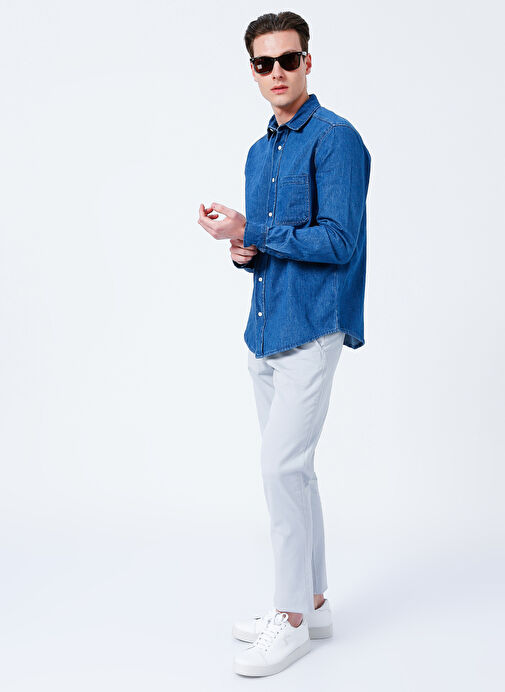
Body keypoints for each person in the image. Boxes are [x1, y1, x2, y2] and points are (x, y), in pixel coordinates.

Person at [197, 10, 371, 677]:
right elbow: (271, 246)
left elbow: (339, 242)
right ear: (252, 70)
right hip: (265, 328)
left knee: (278, 470)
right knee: (294, 472)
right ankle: (313, 603)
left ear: (307, 62)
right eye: (263, 63)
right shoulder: (257, 151)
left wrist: (254, 231)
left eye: (288, 59)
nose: (276, 72)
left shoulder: (335, 139)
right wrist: (242, 250)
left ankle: (290, 619)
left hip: (311, 328)